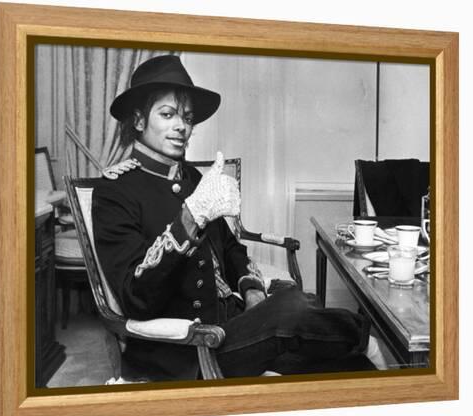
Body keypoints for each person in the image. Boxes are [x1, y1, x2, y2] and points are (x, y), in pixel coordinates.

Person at [92, 55, 386, 381]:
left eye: (187, 118)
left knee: (347, 363)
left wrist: (252, 292)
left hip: (235, 326)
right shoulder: (115, 191)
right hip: (189, 350)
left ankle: (365, 355)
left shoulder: (193, 178)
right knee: (294, 309)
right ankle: (367, 338)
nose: (181, 126)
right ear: (138, 120)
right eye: (167, 114)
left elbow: (231, 249)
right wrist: (189, 218)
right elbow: (136, 297)